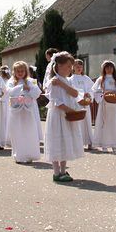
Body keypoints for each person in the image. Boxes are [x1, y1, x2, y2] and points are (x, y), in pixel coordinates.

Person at [44, 52, 83, 182]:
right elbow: (56, 102)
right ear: (58, 66)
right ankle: (56, 172)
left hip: (67, 115)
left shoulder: (65, 81)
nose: (70, 69)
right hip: (58, 115)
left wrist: (62, 84)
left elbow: (75, 93)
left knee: (66, 141)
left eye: (71, 66)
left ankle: (63, 170)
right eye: (67, 66)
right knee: (56, 141)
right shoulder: (52, 82)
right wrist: (70, 110)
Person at [6, 61, 42, 164]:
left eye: (22, 71)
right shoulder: (11, 81)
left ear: (26, 71)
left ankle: (30, 154)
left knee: (29, 131)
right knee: (17, 132)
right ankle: (19, 155)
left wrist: (29, 88)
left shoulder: (31, 81)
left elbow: (37, 93)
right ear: (14, 71)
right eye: (18, 71)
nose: (20, 73)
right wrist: (21, 88)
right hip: (16, 111)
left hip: (28, 110)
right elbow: (9, 92)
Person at [92, 60, 116, 153]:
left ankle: (114, 145)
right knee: (104, 123)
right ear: (104, 69)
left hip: (114, 104)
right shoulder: (100, 79)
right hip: (105, 103)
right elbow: (95, 91)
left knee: (114, 123)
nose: (109, 69)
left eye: (111, 67)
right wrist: (104, 94)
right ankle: (104, 145)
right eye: (107, 67)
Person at [68, 59, 94, 151]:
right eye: (76, 66)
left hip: (85, 103)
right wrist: (78, 97)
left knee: (87, 122)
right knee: (77, 123)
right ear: (72, 68)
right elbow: (70, 91)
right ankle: (78, 142)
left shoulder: (86, 78)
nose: (79, 68)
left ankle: (89, 142)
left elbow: (92, 89)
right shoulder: (70, 79)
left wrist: (89, 95)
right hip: (76, 104)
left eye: (80, 66)